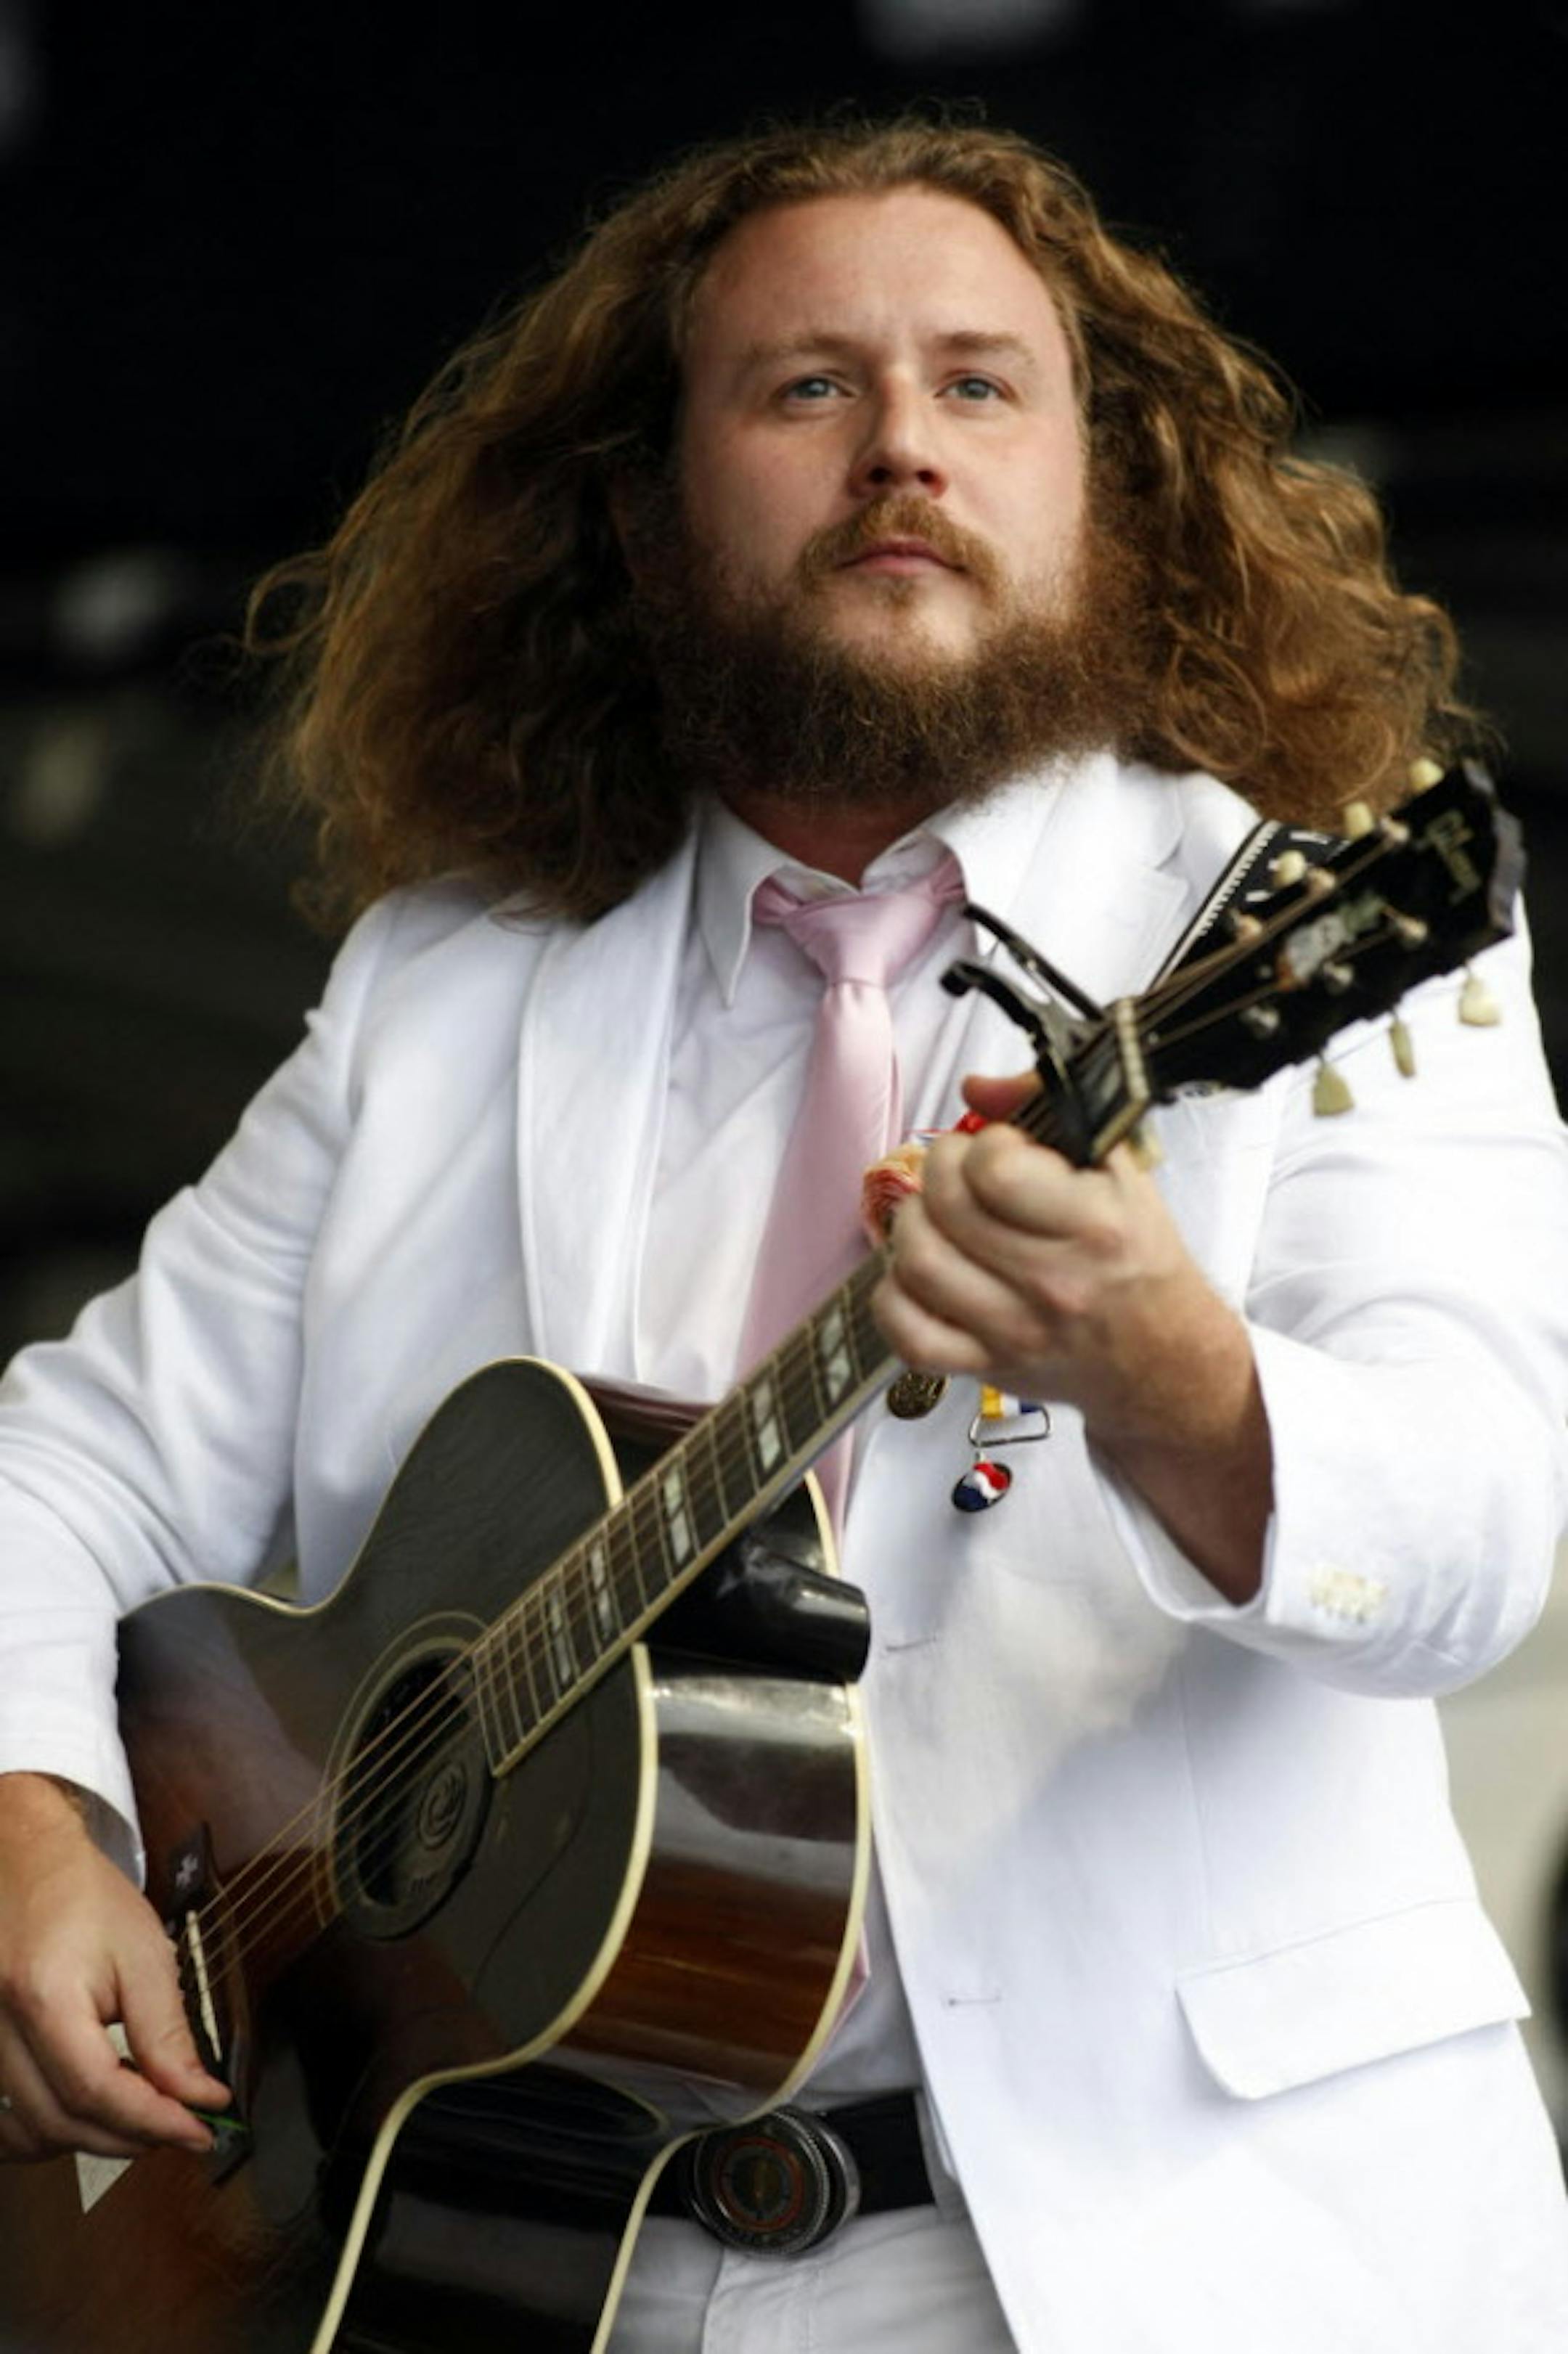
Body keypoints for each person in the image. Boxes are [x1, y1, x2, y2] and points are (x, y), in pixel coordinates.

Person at [1, 112, 1566, 2353]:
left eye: (981, 383)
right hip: (524, 2257)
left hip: (1174, 2254)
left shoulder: (1296, 936)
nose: (903, 445)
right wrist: (33, 1824)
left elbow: (1482, 1528)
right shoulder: (446, 996)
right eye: (808, 387)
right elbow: (66, 1461)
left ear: (1100, 488)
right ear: (642, 517)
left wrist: (1177, 1380)